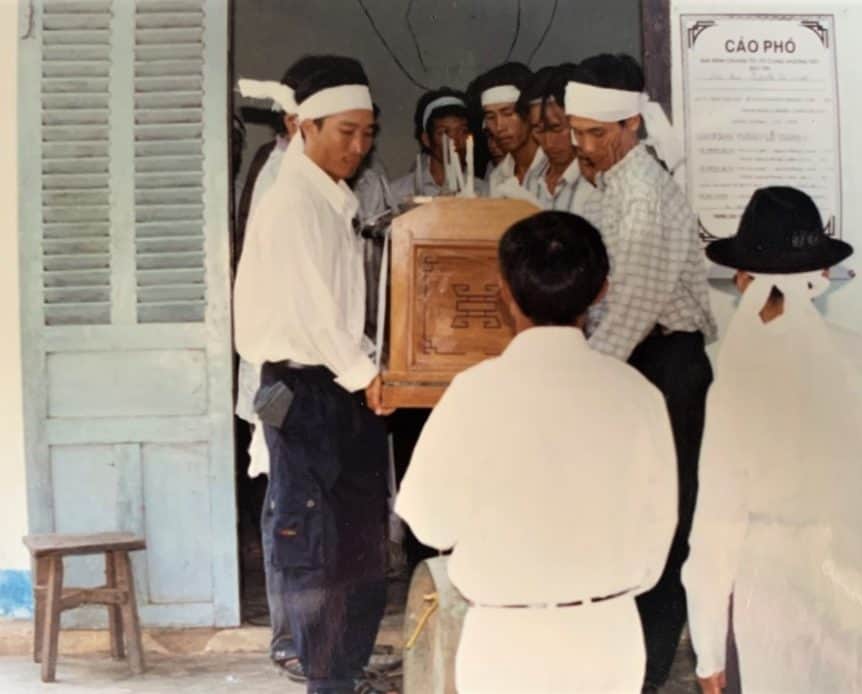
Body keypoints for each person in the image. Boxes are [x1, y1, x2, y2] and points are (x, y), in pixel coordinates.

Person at [396, 211, 677, 693]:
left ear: (504, 291)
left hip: (504, 640)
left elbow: (427, 520)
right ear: (602, 291)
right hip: (608, 635)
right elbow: (661, 525)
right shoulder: (638, 395)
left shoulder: (473, 392)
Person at [682, 186, 862, 694]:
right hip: (860, 593)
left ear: (743, 279)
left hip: (774, 599)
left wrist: (707, 648)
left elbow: (716, 527)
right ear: (820, 279)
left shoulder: (731, 371)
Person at [234, 55, 395, 694]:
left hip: (338, 382)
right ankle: (327, 676)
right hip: (299, 388)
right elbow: (316, 310)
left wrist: (369, 368)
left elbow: (343, 311)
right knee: (314, 541)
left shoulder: (333, 197)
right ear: (305, 127)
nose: (358, 147)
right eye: (344, 133)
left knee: (358, 538)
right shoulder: (291, 199)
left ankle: (347, 669)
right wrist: (367, 374)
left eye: (367, 133)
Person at [564, 52, 717, 690]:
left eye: (597, 134)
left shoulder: (646, 195)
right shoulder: (603, 185)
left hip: (664, 366)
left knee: (664, 522)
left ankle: (648, 670)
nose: (584, 146)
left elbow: (629, 308)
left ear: (631, 126)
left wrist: (571, 380)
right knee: (626, 515)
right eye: (576, 133)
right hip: (627, 364)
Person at [516, 64, 597, 215]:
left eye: (556, 128)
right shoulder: (534, 176)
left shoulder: (595, 179)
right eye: (538, 130)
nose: (548, 142)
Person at [390, 87, 485, 201]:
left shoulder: (483, 191)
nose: (455, 140)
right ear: (426, 140)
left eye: (462, 131)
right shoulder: (399, 192)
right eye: (444, 132)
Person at [468, 62, 547, 198]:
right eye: (491, 116)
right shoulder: (498, 177)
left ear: (529, 113)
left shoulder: (554, 167)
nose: (499, 127)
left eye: (508, 113)